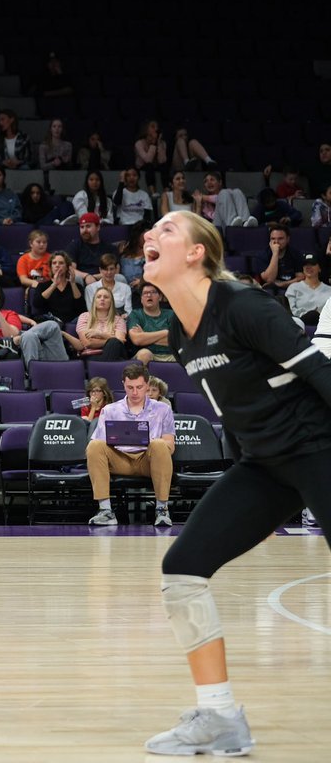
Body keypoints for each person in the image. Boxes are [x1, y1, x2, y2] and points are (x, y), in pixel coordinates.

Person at [136, 210, 331, 756]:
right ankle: (221, 717)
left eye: (167, 230)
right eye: (151, 230)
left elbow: (318, 373)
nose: (151, 235)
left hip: (320, 450)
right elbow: (232, 414)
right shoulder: (179, 332)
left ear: (198, 252)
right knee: (182, 570)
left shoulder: (245, 305)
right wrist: (257, 507)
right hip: (265, 466)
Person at [86, 361, 176, 527]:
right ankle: (105, 511)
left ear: (147, 385)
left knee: (160, 445)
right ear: (123, 385)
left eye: (139, 387)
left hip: (148, 461)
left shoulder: (163, 409)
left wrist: (154, 443)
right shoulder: (110, 410)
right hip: (120, 459)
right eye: (130, 387)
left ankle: (162, 510)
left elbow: (170, 445)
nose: (135, 392)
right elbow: (100, 441)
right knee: (94, 445)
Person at [65, 213, 120, 284]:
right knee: (75, 278)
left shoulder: (109, 248)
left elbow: (116, 270)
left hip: (104, 280)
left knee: (120, 278)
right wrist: (86, 276)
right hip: (82, 281)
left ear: (98, 227)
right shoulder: (75, 245)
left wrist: (94, 277)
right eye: (82, 227)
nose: (85, 230)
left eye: (88, 226)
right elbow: (70, 269)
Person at [129, 282, 177, 363]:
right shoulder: (135, 314)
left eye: (153, 292)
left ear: (160, 297)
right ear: (141, 299)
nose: (149, 295)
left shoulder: (170, 314)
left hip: (171, 354)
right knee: (144, 354)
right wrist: (166, 332)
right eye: (145, 293)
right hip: (149, 354)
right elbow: (137, 340)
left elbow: (176, 341)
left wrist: (145, 335)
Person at [75, 286, 127, 360]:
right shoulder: (84, 316)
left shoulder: (119, 320)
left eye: (106, 297)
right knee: (114, 343)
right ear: (94, 301)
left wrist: (99, 334)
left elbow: (120, 342)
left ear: (111, 302)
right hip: (92, 356)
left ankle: (104, 369)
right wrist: (111, 339)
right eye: (99, 297)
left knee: (114, 345)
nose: (102, 299)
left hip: (115, 353)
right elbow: (87, 343)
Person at [286, 253, 331, 324]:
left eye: (312, 264)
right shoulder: (293, 288)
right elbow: (290, 310)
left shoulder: (329, 290)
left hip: (325, 324)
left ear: (319, 268)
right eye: (305, 265)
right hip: (300, 324)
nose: (308, 267)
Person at [259, 225, 304, 290]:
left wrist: (282, 284)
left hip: (292, 288)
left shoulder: (295, 254)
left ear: (288, 239)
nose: (276, 242)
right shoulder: (263, 255)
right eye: (273, 238)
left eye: (280, 238)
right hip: (269, 291)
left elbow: (301, 278)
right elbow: (269, 279)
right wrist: (275, 254)